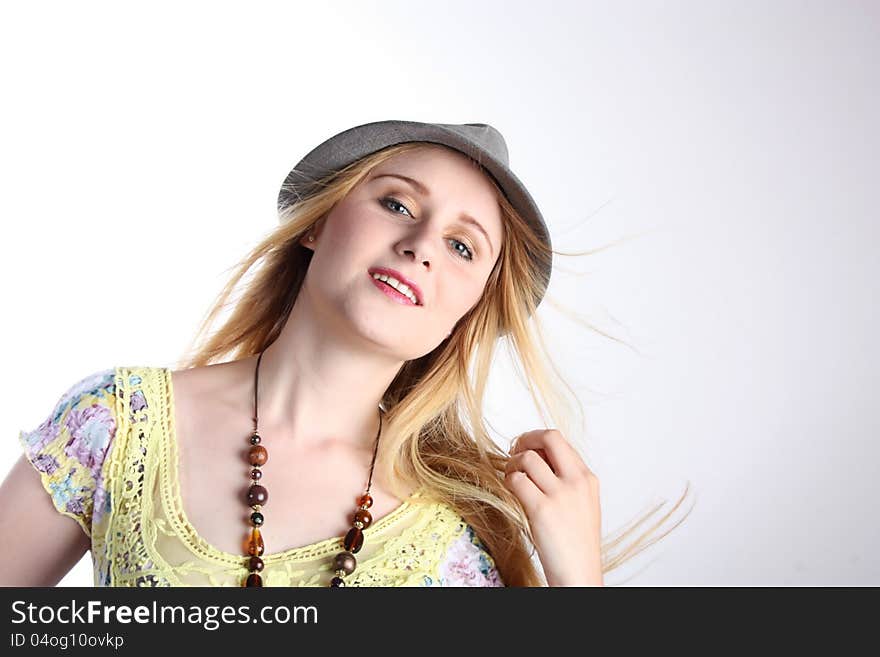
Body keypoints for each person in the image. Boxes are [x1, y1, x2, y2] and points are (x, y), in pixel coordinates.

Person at [0, 120, 691, 587]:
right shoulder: (115, 426)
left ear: (470, 310)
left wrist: (579, 583)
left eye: (461, 246)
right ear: (318, 223)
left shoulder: (459, 543)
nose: (421, 243)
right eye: (396, 203)